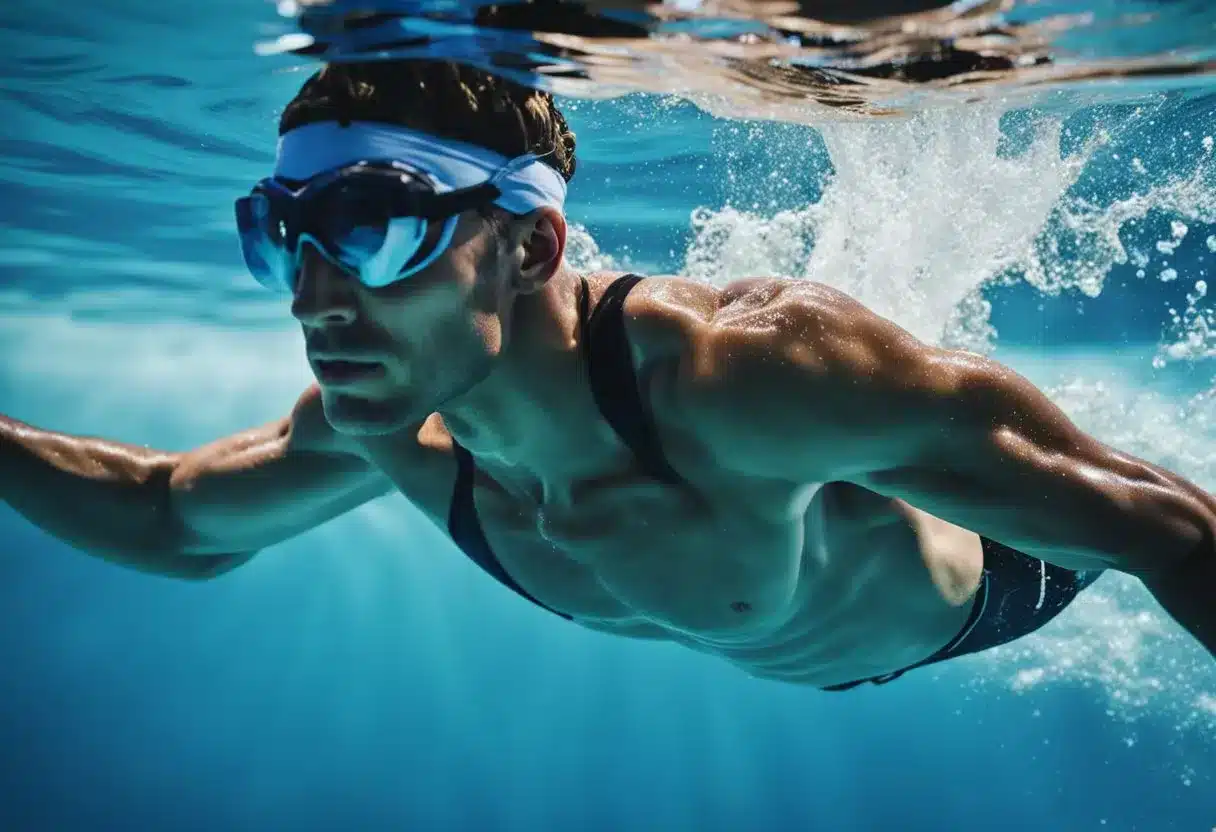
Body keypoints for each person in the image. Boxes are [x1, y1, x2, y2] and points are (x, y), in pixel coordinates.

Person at [2, 61, 1211, 690]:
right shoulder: (388, 424)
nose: (318, 298)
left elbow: (1170, 532)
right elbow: (172, 515)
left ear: (529, 244)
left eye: (374, 228)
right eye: (284, 236)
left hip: (1001, 581)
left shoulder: (742, 380)